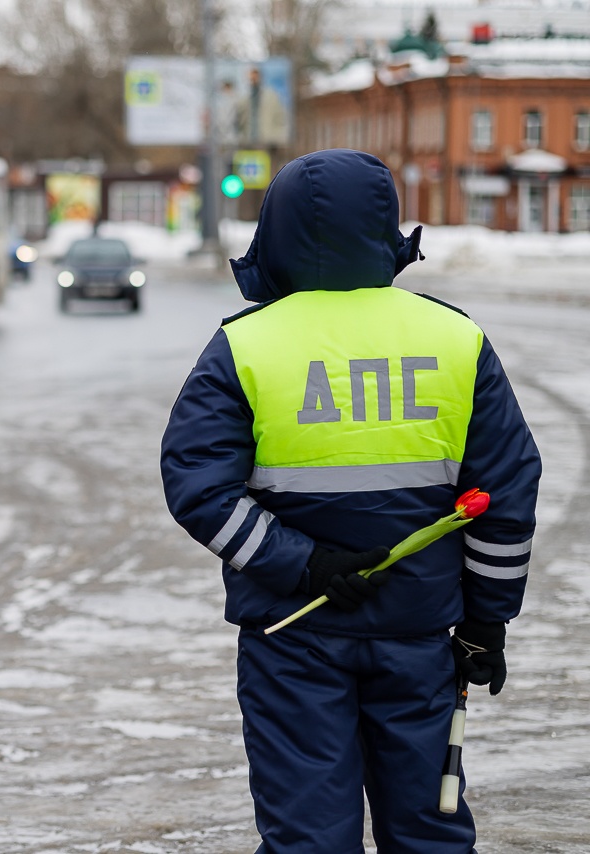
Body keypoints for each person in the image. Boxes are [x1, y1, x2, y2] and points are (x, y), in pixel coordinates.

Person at [160, 148, 540, 852]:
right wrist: (487, 622)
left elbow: (198, 485)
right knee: (428, 830)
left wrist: (303, 566)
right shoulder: (454, 338)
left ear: (276, 231)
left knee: (309, 835)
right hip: (423, 636)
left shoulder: (244, 346)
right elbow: (505, 494)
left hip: (293, 635)